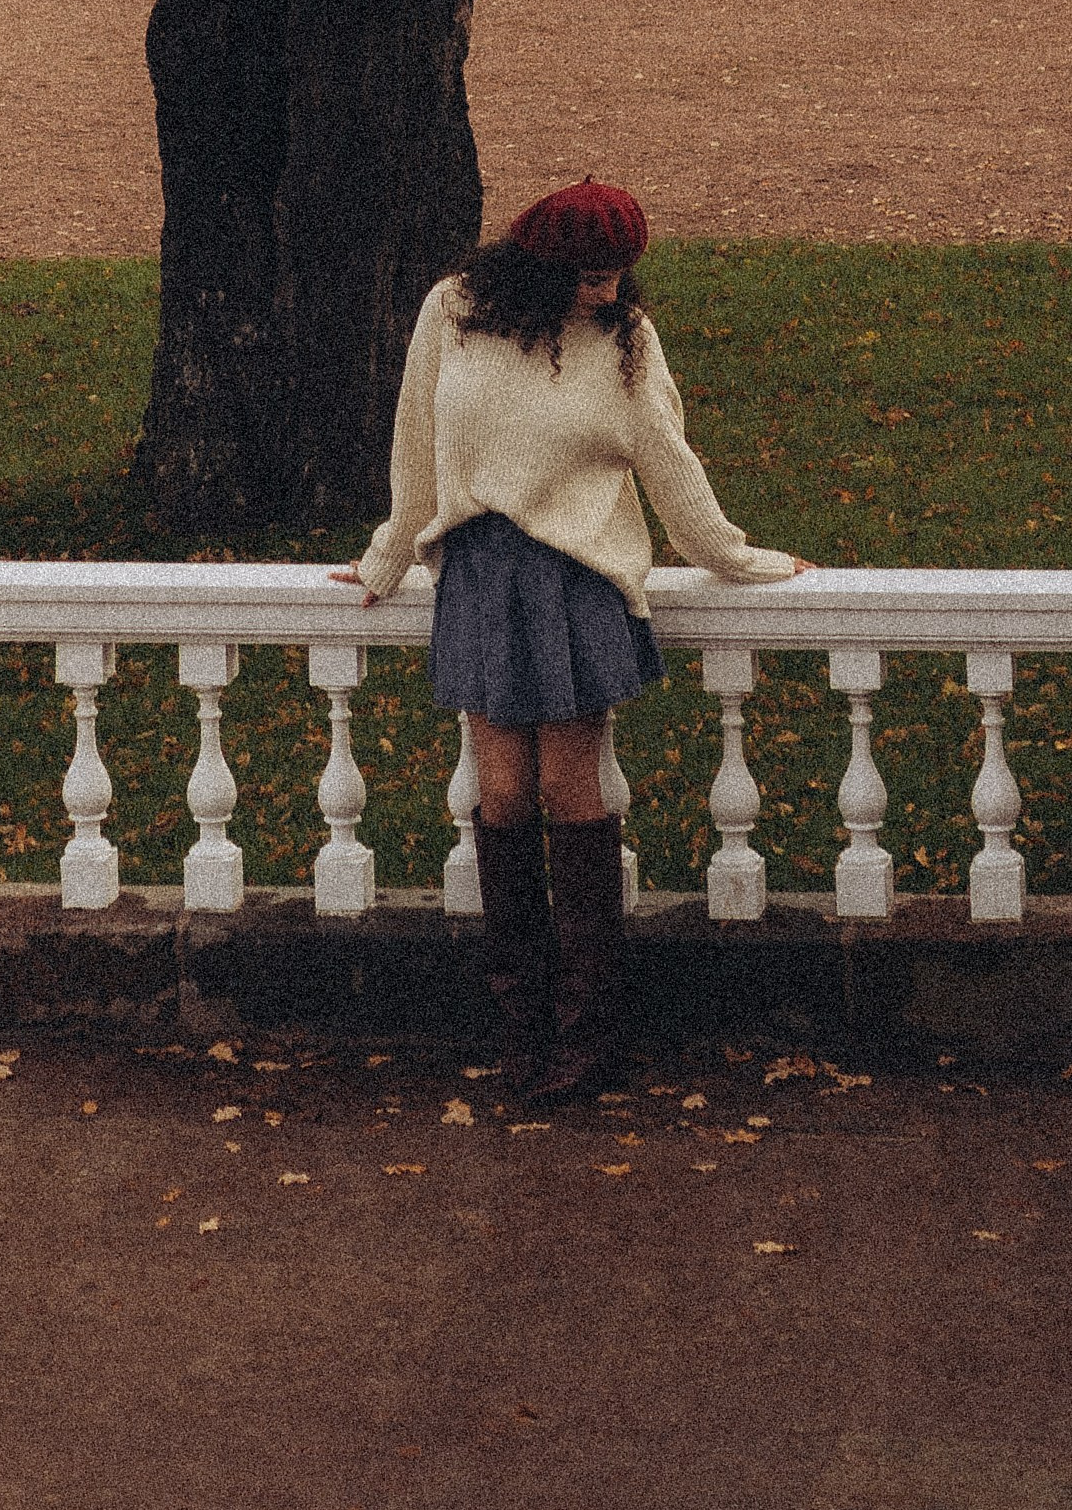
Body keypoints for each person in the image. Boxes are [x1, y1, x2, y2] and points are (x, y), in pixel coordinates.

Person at [334, 178, 809, 1100]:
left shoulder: (625, 342)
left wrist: (734, 557)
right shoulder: (453, 310)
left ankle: (589, 1028)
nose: (608, 293)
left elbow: (666, 456)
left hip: (574, 578)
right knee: (501, 798)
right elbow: (413, 444)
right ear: (538, 265)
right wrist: (387, 555)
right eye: (591, 276)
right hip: (477, 573)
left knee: (567, 789)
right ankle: (521, 1020)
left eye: (619, 276)